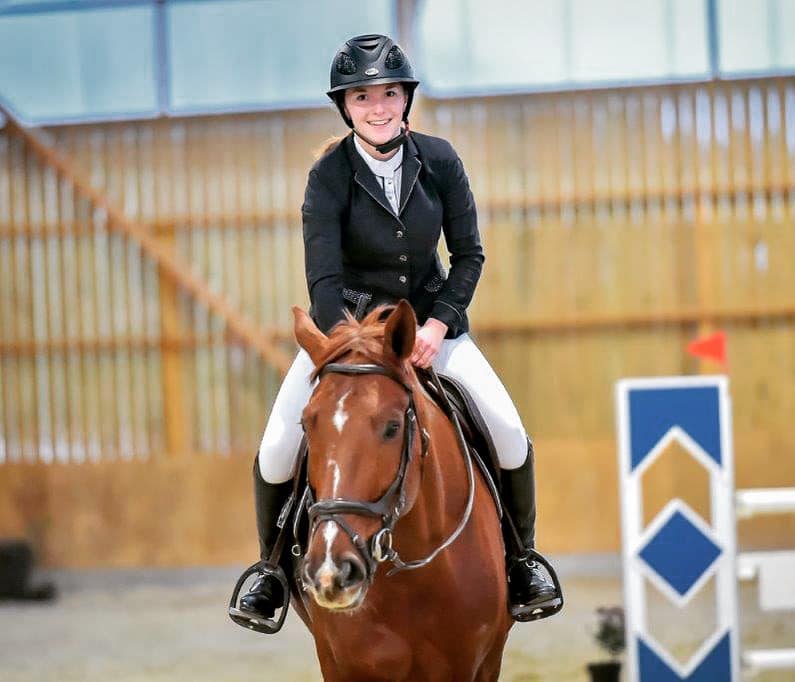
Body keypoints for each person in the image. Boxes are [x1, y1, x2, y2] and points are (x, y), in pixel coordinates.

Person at [233, 34, 561, 624]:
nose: (378, 106)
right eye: (363, 97)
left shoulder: (439, 161)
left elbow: (470, 257)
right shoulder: (327, 178)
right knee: (278, 446)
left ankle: (521, 561)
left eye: (388, 93)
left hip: (432, 328)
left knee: (509, 431)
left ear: (405, 98)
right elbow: (324, 281)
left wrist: (437, 326)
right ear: (346, 107)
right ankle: (271, 572)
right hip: (350, 335)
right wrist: (356, 346)